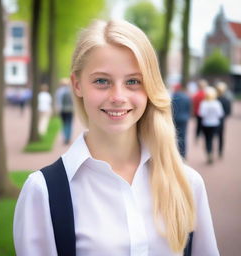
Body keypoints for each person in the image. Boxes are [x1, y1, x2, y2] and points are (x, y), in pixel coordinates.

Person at [13, 19, 219, 255]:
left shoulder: (187, 183)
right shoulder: (43, 192)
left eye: (133, 81)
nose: (118, 96)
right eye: (102, 81)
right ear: (77, 85)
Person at [199, 86, 224, 164]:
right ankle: (211, 152)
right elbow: (220, 114)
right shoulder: (217, 103)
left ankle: (209, 153)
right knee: (211, 139)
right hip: (215, 124)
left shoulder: (204, 103)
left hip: (206, 124)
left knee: (207, 139)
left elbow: (201, 114)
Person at [172, 84, 192, 158]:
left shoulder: (173, 96)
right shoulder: (186, 97)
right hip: (184, 119)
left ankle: (176, 154)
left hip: (175, 118)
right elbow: (189, 108)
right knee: (183, 136)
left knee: (174, 136)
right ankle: (183, 154)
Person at [55, 78, 74, 144]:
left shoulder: (59, 91)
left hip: (62, 110)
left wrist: (58, 109)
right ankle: (68, 138)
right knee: (69, 124)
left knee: (64, 124)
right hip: (70, 109)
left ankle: (65, 137)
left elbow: (58, 101)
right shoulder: (71, 91)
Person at [216, 81, 232, 158]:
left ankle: (211, 150)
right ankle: (220, 151)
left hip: (213, 120)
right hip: (222, 120)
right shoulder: (227, 100)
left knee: (212, 136)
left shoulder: (214, 99)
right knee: (221, 136)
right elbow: (229, 112)